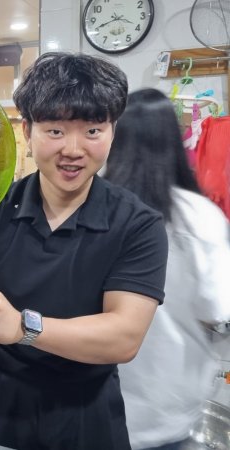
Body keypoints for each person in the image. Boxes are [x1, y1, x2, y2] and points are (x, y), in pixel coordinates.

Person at [0, 52, 169, 450]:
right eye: (55, 130)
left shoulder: (137, 224)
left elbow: (123, 338)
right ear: (28, 131)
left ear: (113, 131)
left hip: (86, 409)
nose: (73, 149)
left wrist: (24, 327)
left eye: (92, 130)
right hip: (1, 404)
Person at [104, 88, 230, 450]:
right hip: (169, 396)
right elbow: (217, 306)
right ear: (172, 141)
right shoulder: (199, 215)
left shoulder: (98, 206)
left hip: (99, 391)